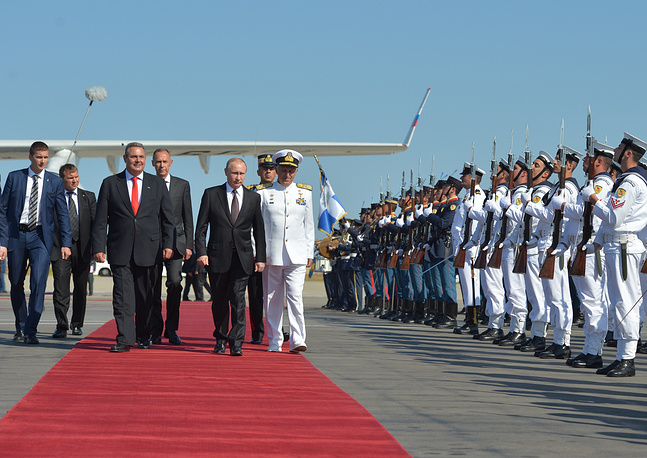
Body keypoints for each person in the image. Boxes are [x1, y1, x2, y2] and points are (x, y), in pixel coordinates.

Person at [92, 142, 175, 352]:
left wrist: (169, 244)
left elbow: (167, 218)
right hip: (120, 249)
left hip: (149, 249)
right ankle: (124, 338)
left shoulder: (156, 184)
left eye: (141, 157)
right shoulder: (111, 183)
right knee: (122, 297)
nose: (137, 160)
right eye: (133, 157)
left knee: (146, 297)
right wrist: (98, 247)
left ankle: (143, 335)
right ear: (125, 158)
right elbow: (101, 219)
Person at [588, 132, 647, 377]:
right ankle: (622, 356)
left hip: (624, 247)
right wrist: (599, 240)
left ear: (629, 153)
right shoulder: (625, 180)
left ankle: (627, 359)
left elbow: (614, 216)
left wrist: (593, 199)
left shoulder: (631, 183)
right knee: (618, 303)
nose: (616, 149)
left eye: (620, 146)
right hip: (616, 245)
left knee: (626, 303)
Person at [1, 141, 72, 344]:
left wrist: (66, 243)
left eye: (46, 157)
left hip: (40, 237)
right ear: (30, 157)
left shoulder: (55, 182)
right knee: (16, 282)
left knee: (39, 282)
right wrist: (2, 242)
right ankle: (21, 325)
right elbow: (3, 211)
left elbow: (63, 215)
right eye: (39, 157)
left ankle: (31, 329)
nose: (43, 161)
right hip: (16, 236)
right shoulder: (14, 177)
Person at [195, 157, 266, 356]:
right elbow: (201, 228)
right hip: (217, 258)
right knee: (219, 301)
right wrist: (202, 252)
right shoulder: (212, 194)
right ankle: (220, 339)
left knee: (238, 300)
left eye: (242, 173)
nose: (238, 177)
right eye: (234, 173)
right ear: (226, 172)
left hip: (243, 259)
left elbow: (259, 231)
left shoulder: (253, 198)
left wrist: (260, 258)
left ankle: (236, 342)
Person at [258, 149, 315, 353]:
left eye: (291, 170)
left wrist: (310, 252)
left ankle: (298, 340)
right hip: (271, 255)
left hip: (297, 255)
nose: (287, 174)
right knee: (272, 300)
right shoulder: (264, 193)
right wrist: (258, 254)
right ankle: (275, 340)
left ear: (296, 171)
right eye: (284, 170)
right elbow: (258, 227)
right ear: (277, 169)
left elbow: (309, 225)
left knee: (295, 297)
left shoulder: (305, 193)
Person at [150, 149, 193, 346]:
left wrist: (189, 245)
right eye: (158, 162)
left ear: (171, 163)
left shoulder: (182, 185)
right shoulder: (147, 184)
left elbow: (188, 216)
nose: (162, 165)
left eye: (165, 161)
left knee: (175, 283)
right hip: (152, 242)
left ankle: (172, 328)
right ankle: (155, 330)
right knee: (152, 286)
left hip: (177, 242)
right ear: (152, 163)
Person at [50, 164, 96, 338]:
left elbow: (96, 223)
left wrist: (97, 248)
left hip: (82, 249)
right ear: (62, 179)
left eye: (76, 176)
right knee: (61, 289)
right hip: (61, 248)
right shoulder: (54, 197)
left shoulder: (88, 197)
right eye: (70, 178)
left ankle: (77, 323)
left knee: (80, 288)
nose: (75, 180)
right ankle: (62, 325)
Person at [245, 154, 277, 344]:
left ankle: (277, 330)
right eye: (264, 168)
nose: (268, 171)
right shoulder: (251, 193)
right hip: (256, 252)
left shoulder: (284, 192)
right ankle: (257, 331)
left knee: (274, 295)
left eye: (271, 168)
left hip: (276, 252)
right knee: (256, 295)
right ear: (258, 171)